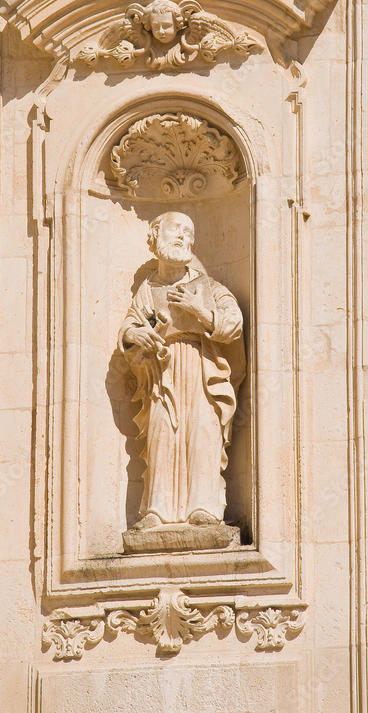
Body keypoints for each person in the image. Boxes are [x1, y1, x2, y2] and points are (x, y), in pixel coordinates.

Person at [119, 211, 245, 529]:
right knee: (162, 433)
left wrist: (199, 311)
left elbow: (234, 324)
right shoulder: (147, 290)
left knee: (203, 431)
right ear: (155, 236)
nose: (183, 237)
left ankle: (203, 507)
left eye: (189, 233)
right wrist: (135, 335)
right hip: (162, 373)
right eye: (176, 230)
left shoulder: (208, 286)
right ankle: (157, 510)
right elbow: (130, 327)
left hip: (202, 370)